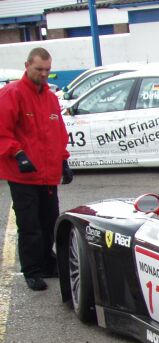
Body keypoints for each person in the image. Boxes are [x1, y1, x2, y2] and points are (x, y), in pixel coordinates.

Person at [0, 47, 72, 292]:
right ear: (27, 65)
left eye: (47, 70)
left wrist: (64, 160)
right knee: (29, 224)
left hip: (47, 174)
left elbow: (58, 132)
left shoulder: (50, 98)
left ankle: (45, 260)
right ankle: (31, 270)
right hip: (23, 175)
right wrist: (17, 153)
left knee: (50, 220)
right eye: (39, 69)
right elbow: (2, 133)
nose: (43, 74)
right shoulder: (12, 94)